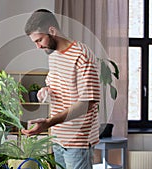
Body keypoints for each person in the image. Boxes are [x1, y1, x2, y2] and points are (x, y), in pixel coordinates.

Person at [21, 9, 100, 169]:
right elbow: (55, 85)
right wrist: (46, 90)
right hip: (58, 137)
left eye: (39, 40)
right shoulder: (54, 55)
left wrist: (48, 123)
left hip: (78, 142)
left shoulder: (82, 55)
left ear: (52, 31)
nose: (38, 46)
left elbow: (88, 102)